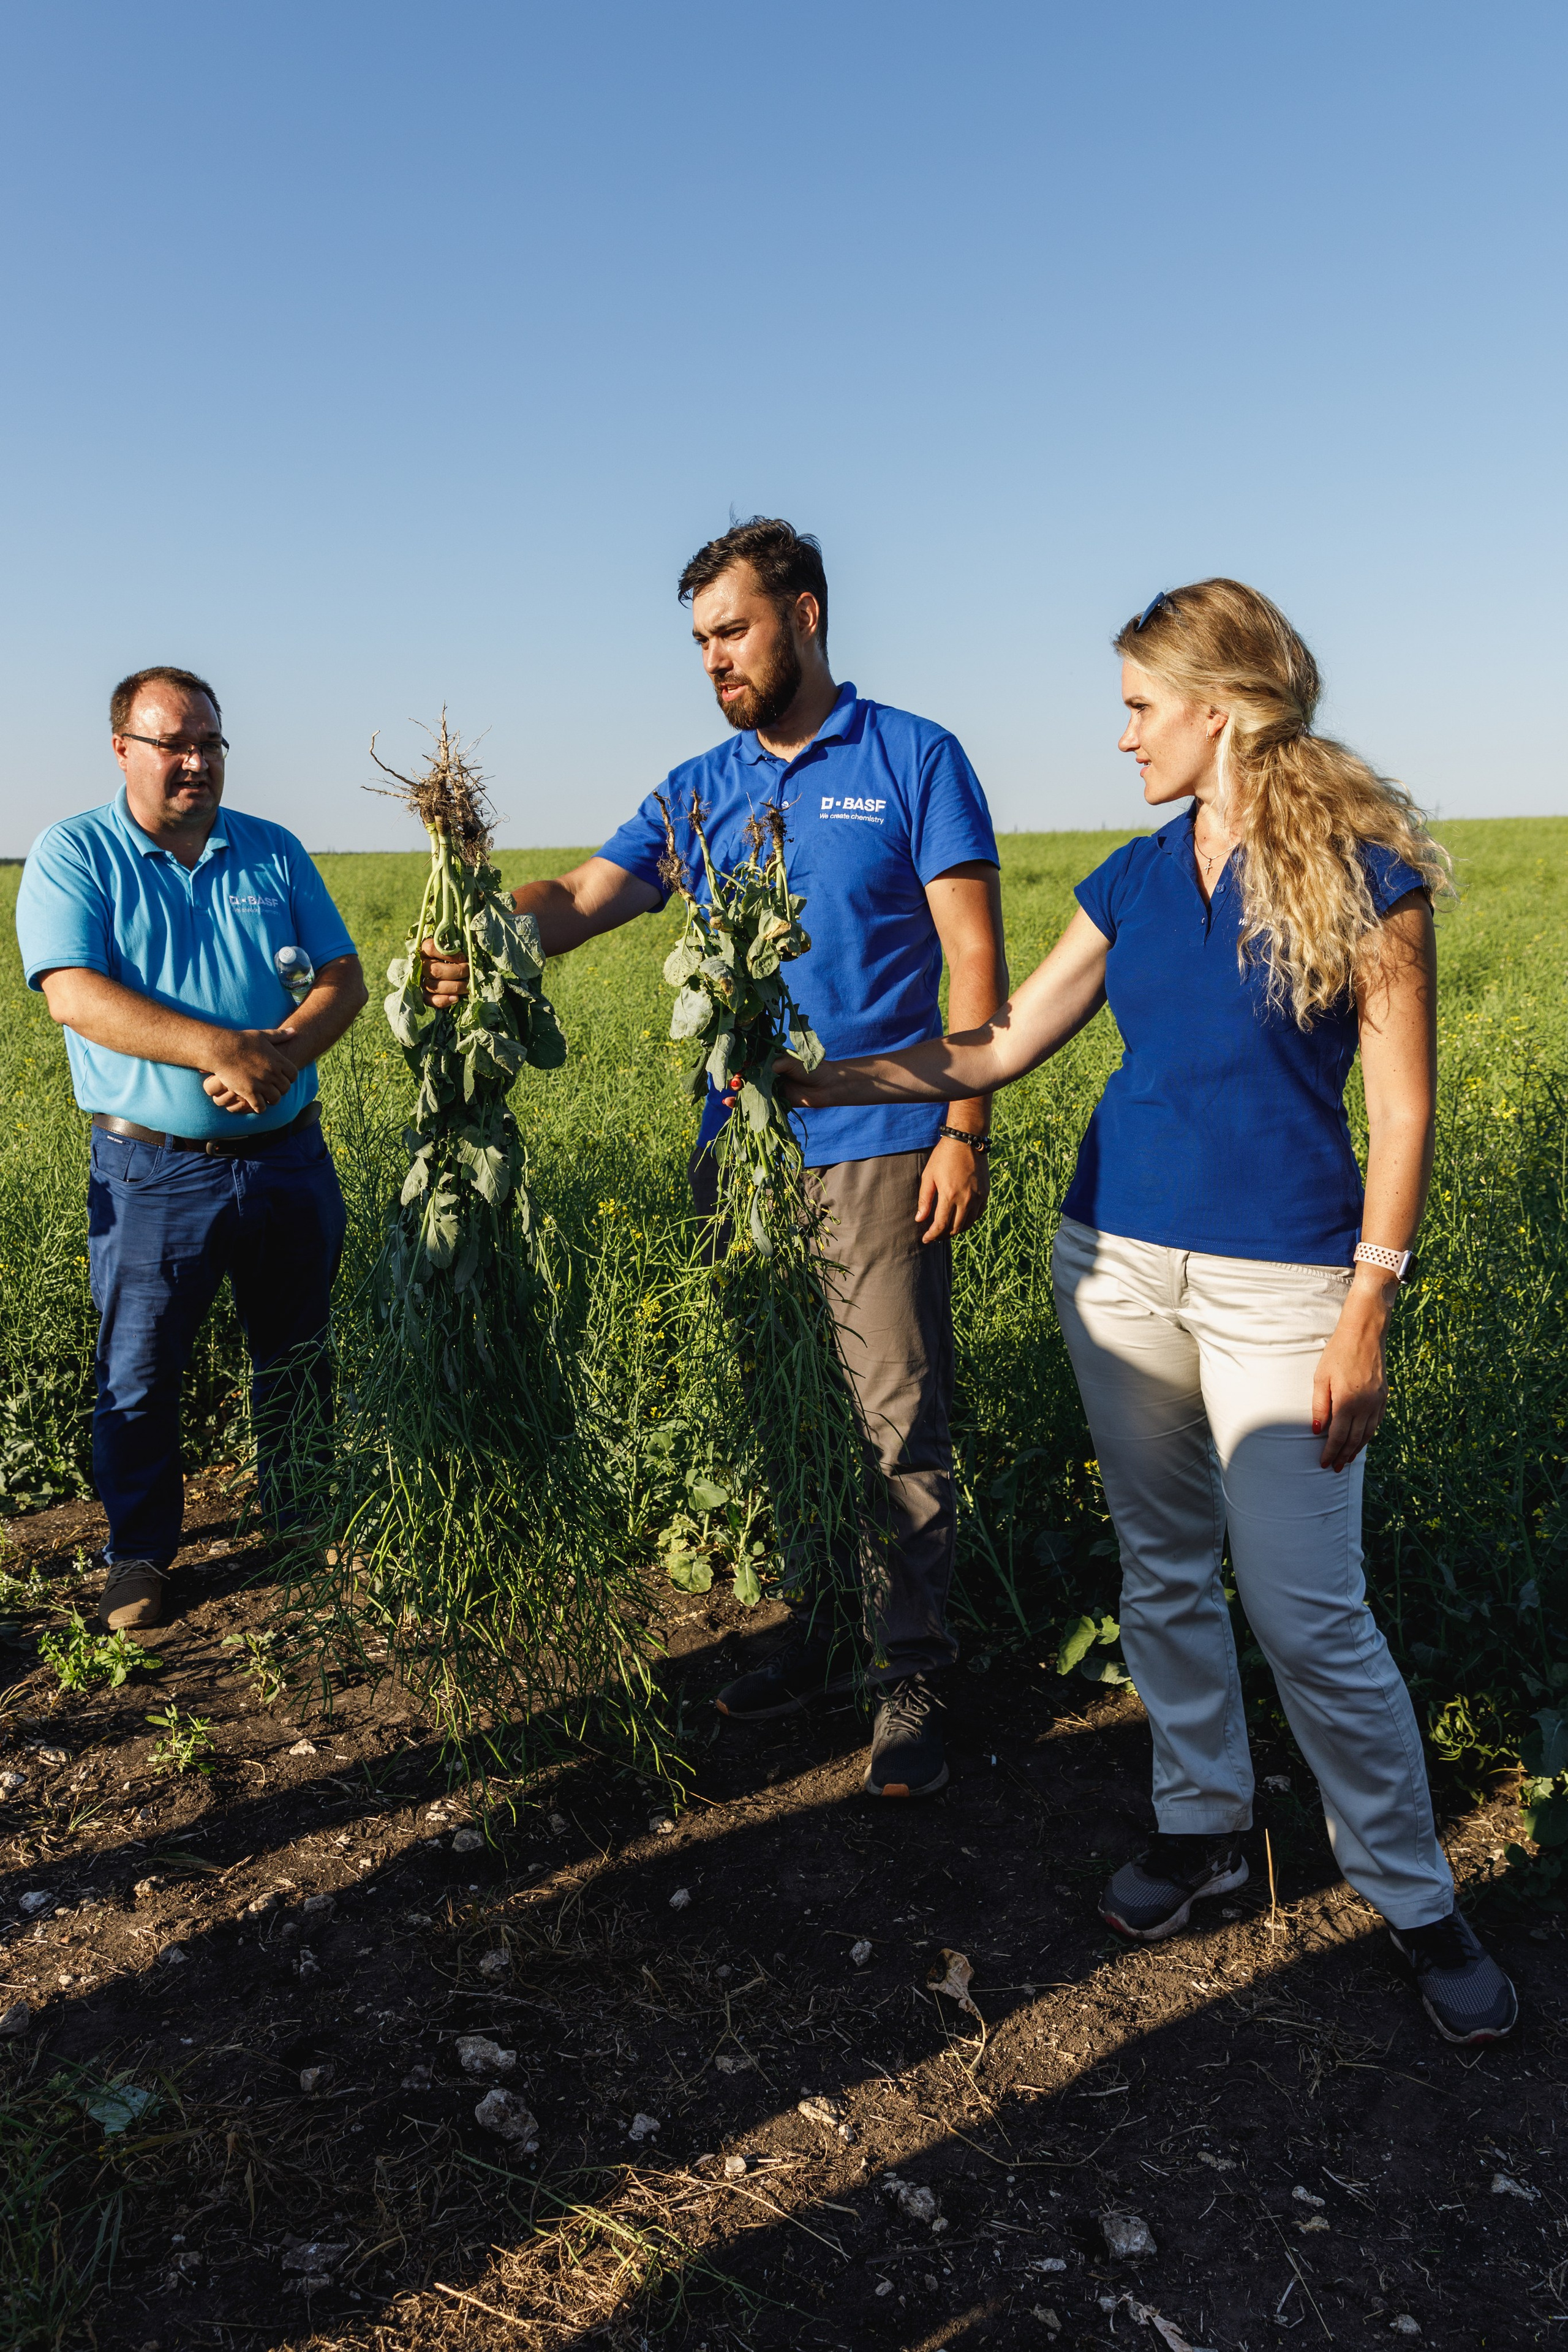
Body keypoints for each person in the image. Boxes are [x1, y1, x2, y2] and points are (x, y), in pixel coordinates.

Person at [781, 578, 1517, 2044]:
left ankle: (1414, 1896)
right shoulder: (1127, 878)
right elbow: (997, 1045)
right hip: (1111, 1267)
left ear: (1219, 710)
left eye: (1137, 708)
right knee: (1161, 1569)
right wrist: (817, 1078)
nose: (1121, 737)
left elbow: (1400, 1110)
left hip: (1284, 1289)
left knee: (1307, 1609)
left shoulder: (1365, 878)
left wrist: (1367, 1309)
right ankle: (1202, 1830)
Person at [420, 518, 1007, 1795]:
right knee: (781, 1394)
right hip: (736, 1151)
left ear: (805, 614)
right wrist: (482, 923)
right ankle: (822, 1625)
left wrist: (964, 1129)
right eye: (698, 641)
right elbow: (587, 897)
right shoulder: (698, 787)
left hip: (880, 1141)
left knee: (893, 1415)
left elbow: (974, 957)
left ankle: (909, 1671)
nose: (713, 660)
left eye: (731, 631)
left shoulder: (912, 757)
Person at [16, 666, 368, 1635]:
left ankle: (301, 1520)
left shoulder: (272, 849)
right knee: (139, 1371)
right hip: (153, 1168)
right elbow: (74, 993)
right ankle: (138, 1556)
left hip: (288, 1155)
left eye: (209, 744)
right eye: (173, 744)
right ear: (122, 748)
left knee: (297, 1351)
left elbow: (342, 975)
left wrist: (278, 1055)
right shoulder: (76, 852)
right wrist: (219, 1049)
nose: (195, 762)